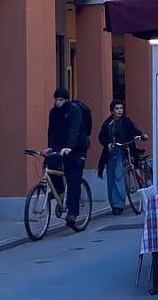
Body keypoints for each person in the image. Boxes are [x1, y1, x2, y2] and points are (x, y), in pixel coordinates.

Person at [45, 87, 90, 230]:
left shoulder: (74, 110)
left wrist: (70, 146)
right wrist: (50, 148)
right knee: (49, 162)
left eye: (61, 100)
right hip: (61, 147)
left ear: (66, 100)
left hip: (77, 148)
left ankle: (72, 213)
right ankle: (58, 191)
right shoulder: (53, 113)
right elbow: (51, 131)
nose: (58, 103)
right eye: (56, 100)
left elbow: (74, 129)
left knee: (73, 179)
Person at [96, 99, 147, 215]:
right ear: (112, 111)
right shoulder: (108, 123)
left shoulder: (126, 121)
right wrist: (107, 144)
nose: (120, 111)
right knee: (110, 178)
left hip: (122, 151)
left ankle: (119, 204)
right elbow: (101, 136)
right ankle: (113, 204)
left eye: (121, 108)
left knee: (118, 176)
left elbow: (134, 129)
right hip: (110, 152)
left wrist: (142, 135)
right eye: (117, 109)